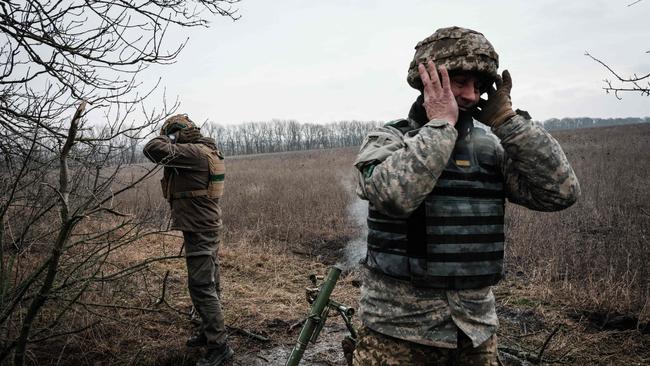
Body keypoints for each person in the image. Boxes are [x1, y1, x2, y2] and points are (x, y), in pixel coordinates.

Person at [351, 26, 580, 365]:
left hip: (475, 332)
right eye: (459, 82)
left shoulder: (491, 148)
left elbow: (559, 193)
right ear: (428, 81)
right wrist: (441, 125)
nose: (471, 96)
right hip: (397, 332)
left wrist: (508, 122)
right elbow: (394, 195)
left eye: (478, 86)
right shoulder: (389, 140)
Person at [144, 114, 232, 366]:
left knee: (201, 285)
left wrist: (167, 137)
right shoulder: (205, 149)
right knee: (210, 282)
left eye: (172, 134)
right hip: (205, 224)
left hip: (200, 227)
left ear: (177, 133)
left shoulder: (193, 153)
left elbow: (151, 149)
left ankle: (219, 346)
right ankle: (208, 333)